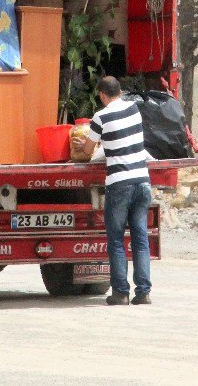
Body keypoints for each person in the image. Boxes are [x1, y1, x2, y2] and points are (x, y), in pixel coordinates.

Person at [71, 76, 152, 306]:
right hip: (142, 181)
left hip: (120, 183)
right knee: (140, 238)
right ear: (120, 91)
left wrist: (82, 144)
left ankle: (120, 292)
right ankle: (143, 292)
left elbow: (87, 151)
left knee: (116, 239)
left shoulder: (101, 116)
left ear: (102, 95)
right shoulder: (134, 109)